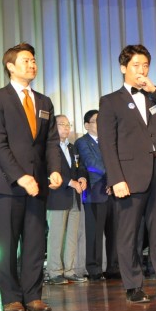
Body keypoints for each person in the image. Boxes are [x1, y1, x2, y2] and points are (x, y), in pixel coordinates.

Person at [97, 44, 156, 303]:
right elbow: (107, 144)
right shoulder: (110, 101)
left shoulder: (153, 98)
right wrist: (116, 179)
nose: (141, 70)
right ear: (123, 68)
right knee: (129, 233)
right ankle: (133, 285)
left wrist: (155, 90)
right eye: (136, 65)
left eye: (145, 65)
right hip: (129, 176)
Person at [0, 43, 63, 311]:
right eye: (26, 60)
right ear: (10, 66)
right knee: (7, 243)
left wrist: (55, 170)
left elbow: (51, 142)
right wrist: (20, 177)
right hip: (8, 184)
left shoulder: (44, 102)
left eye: (34, 60)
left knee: (35, 242)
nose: (32, 65)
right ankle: (11, 298)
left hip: (38, 183)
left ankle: (33, 296)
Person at [76, 109, 118, 281]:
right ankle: (94, 269)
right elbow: (91, 163)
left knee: (115, 232)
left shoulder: (110, 141)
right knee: (94, 234)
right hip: (95, 192)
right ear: (87, 125)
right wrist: (113, 178)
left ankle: (114, 267)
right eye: (96, 121)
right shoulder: (82, 142)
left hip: (113, 191)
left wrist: (114, 182)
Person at [46, 114, 87, 284]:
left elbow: (80, 166)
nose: (66, 127)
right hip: (57, 196)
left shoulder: (72, 147)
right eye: (61, 124)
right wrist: (70, 182)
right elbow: (49, 170)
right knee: (56, 236)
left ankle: (69, 270)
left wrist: (82, 177)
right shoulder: (49, 147)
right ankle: (54, 271)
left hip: (74, 196)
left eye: (68, 124)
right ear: (53, 127)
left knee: (72, 235)